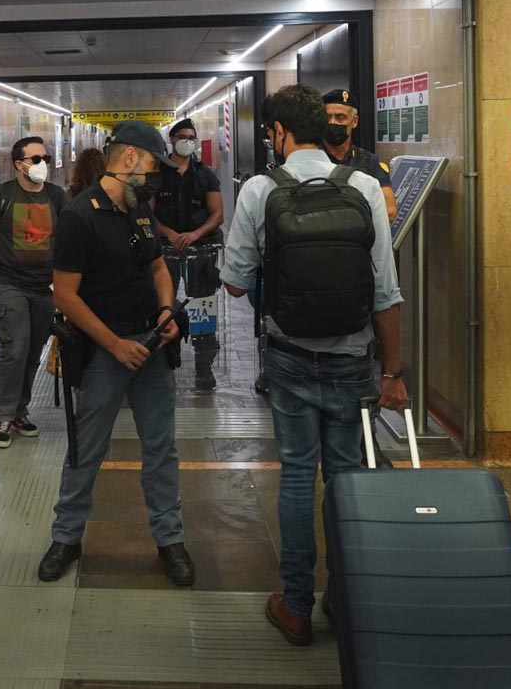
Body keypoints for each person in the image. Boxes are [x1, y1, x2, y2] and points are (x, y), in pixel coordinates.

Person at [221, 84, 407, 647]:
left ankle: (297, 606)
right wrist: (393, 374)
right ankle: (352, 601)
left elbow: (231, 282)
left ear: (278, 133)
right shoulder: (365, 186)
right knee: (347, 476)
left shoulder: (259, 188)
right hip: (354, 357)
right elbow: (386, 292)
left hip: (290, 357)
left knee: (299, 476)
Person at [37, 121, 194, 588]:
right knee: (87, 449)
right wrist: (113, 344)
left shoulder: (139, 209)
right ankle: (66, 537)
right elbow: (65, 295)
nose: (154, 178)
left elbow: (159, 267)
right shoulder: (78, 217)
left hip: (152, 347)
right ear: (128, 160)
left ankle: (170, 539)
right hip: (107, 353)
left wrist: (166, 309)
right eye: (151, 166)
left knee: (161, 449)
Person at [0, 135, 65, 449]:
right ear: (19, 164)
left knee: (31, 353)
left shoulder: (56, 196)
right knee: (15, 348)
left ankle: (20, 410)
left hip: (46, 288)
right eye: (35, 159)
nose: (42, 165)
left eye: (45, 159)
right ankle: (4, 415)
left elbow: (69, 243)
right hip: (9, 284)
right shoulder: (2, 195)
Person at [153, 118, 225, 391]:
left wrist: (195, 234)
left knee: (202, 309)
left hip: (201, 252)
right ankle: (161, 363)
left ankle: (204, 368)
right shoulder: (157, 173)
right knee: (162, 306)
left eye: (192, 137)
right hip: (164, 253)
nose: (187, 141)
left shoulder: (204, 174)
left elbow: (217, 214)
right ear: (171, 139)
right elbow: (147, 212)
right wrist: (170, 233)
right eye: (182, 136)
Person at [322, 88, 396, 222]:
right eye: (328, 117)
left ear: (354, 121)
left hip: (359, 240)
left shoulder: (369, 162)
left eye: (340, 117)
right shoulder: (312, 158)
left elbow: (389, 210)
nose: (332, 122)